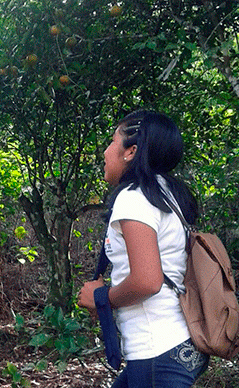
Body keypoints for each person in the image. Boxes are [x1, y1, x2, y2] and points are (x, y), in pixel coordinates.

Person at [78, 110, 209, 387]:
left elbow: (147, 281)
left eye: (113, 142)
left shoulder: (135, 199)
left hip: (156, 351)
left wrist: (102, 298)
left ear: (131, 151)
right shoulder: (166, 195)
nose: (105, 151)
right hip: (178, 344)